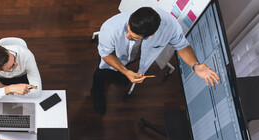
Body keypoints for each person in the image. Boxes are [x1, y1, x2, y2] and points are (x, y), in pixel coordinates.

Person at [91, 7, 219, 115]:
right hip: (112, 55)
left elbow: (182, 45)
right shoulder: (110, 28)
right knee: (101, 74)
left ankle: (118, 76)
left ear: (151, 35)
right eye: (128, 30)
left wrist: (195, 65)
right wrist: (125, 72)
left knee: (121, 71)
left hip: (133, 57)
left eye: (133, 37)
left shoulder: (170, 26)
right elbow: (106, 54)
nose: (127, 36)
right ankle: (96, 93)